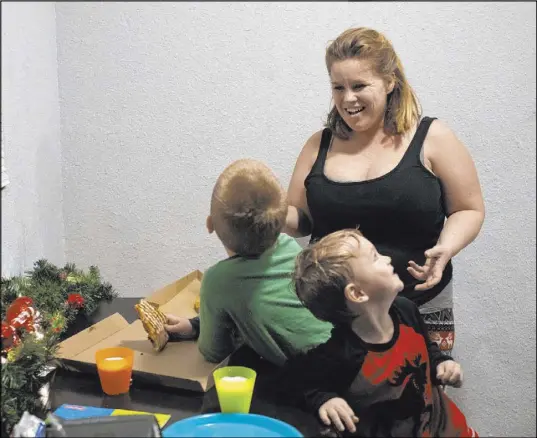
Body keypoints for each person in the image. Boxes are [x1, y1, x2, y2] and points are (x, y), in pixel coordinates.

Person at [284, 27, 485, 355]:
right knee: (333, 398)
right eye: (338, 87)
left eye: (359, 86)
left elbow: (468, 209)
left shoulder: (432, 138)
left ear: (390, 82)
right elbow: (301, 221)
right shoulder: (317, 145)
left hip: (421, 304)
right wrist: (270, 214)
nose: (348, 98)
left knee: (417, 394)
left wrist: (446, 247)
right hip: (336, 311)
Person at [279, 229, 478, 437]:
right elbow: (294, 379)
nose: (387, 258)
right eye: (375, 257)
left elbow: (429, 349)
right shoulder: (342, 353)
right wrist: (324, 400)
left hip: (449, 428)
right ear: (357, 293)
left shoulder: (406, 310)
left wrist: (442, 363)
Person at [164, 159, 332, 366]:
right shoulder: (290, 246)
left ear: (210, 225)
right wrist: (194, 325)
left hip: (311, 381)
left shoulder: (218, 280)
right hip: (347, 352)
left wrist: (204, 329)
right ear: (281, 222)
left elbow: (213, 352)